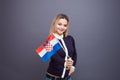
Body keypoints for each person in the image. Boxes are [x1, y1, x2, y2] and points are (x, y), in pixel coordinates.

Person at [44, 13, 77, 80]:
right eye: (59, 24)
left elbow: (74, 54)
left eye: (65, 25)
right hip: (53, 78)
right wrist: (65, 63)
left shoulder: (70, 38)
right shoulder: (49, 40)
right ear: (54, 24)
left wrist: (73, 66)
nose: (62, 27)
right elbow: (54, 58)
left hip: (67, 77)